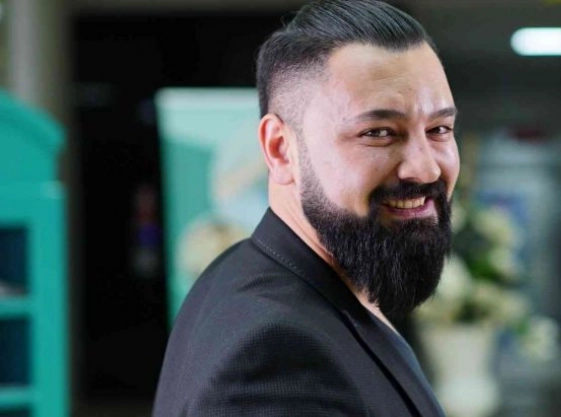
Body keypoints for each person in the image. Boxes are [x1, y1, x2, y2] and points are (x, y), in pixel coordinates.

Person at [153, 0, 459, 415]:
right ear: (281, 149)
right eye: (379, 132)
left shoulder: (249, 269)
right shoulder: (276, 355)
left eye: (439, 129)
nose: (425, 168)